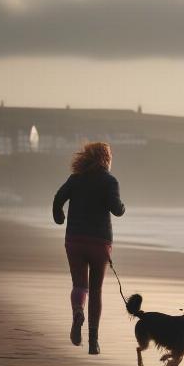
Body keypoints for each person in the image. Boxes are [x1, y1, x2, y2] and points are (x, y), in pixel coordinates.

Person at [52, 142, 125, 354]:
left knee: (80, 285)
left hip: (75, 240)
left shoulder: (75, 179)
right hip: (100, 242)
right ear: (106, 159)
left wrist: (59, 217)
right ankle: (93, 341)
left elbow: (58, 199)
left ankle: (77, 312)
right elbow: (116, 209)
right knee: (96, 290)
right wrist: (122, 208)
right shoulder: (110, 181)